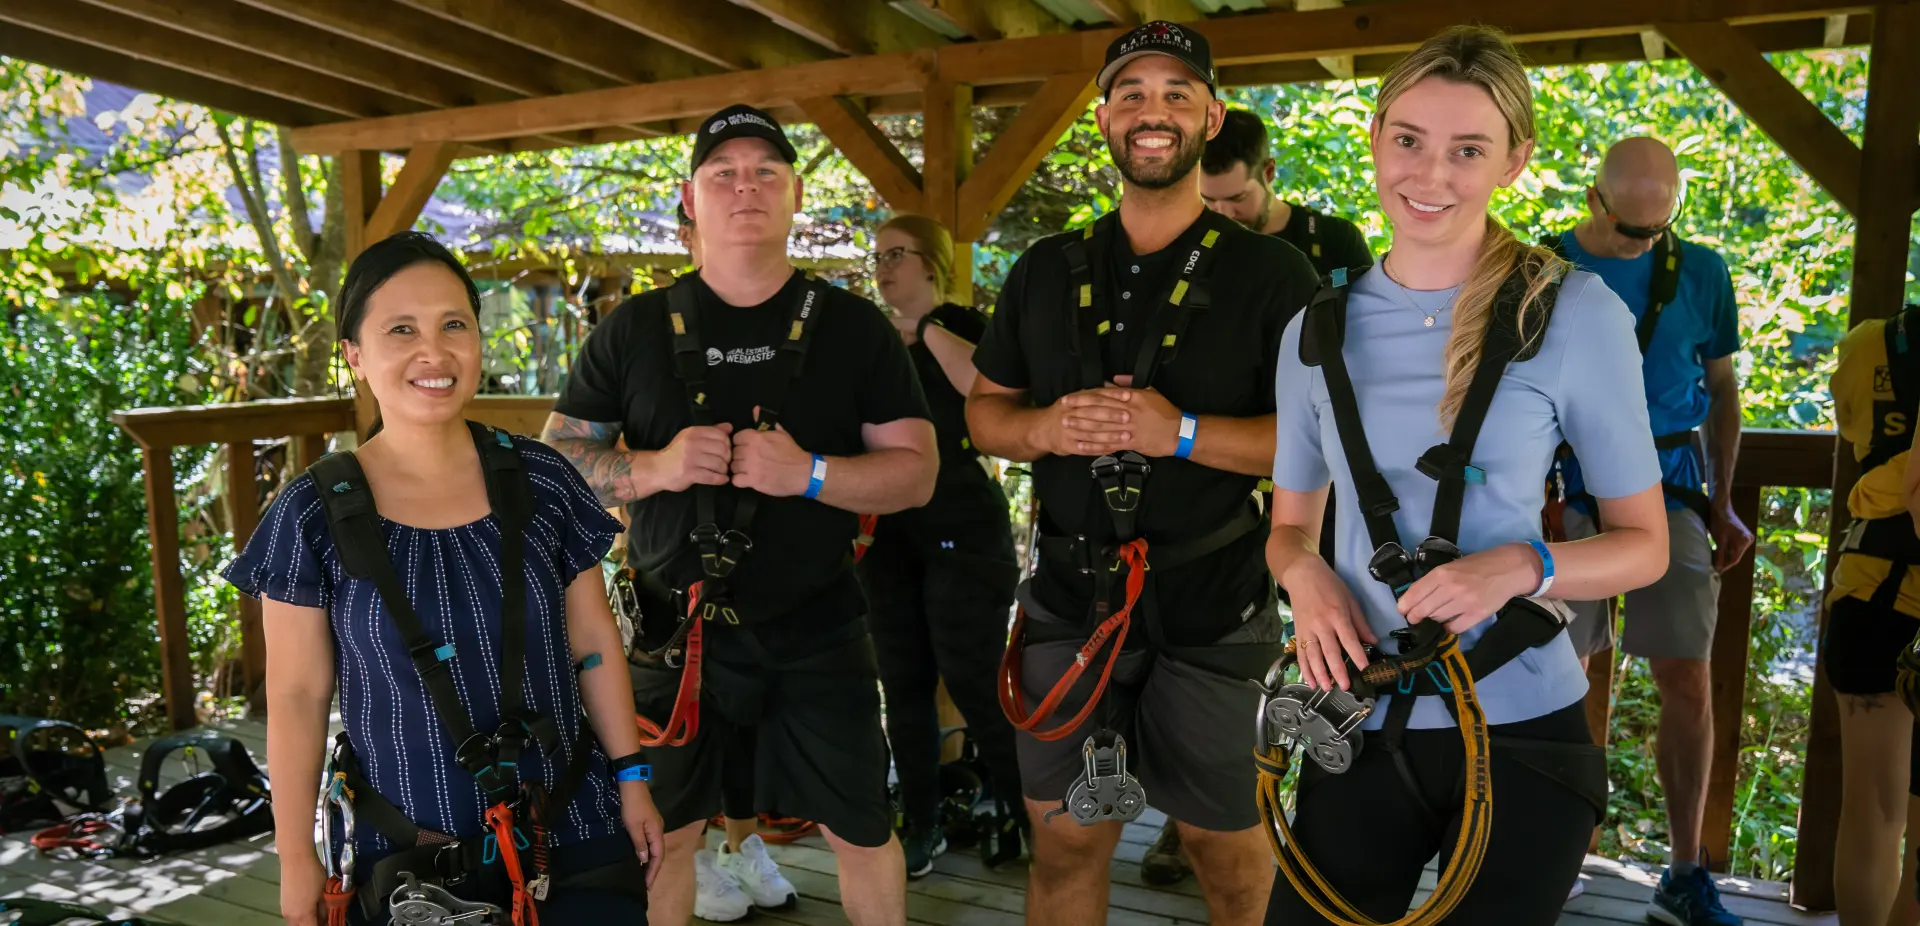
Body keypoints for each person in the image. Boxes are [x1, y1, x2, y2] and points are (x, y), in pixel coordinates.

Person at [1262, 25, 1671, 924]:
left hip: (1521, 734)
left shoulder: (1570, 312)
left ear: (1514, 161)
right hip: (1359, 723)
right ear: (1374, 140)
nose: (1430, 175)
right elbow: (1289, 528)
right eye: (1408, 140)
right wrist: (1304, 576)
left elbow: (1647, 546)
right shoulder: (1314, 332)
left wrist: (1522, 565)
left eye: (1468, 150)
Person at [542, 103, 937, 926]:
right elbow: (558, 468)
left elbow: (917, 476)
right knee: (666, 839)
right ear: (690, 199)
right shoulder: (634, 328)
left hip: (818, 624)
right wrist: (653, 467)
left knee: (864, 833)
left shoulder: (854, 327)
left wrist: (813, 474)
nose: (744, 188)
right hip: (668, 634)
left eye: (766, 173)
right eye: (723, 173)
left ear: (796, 196)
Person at [967, 22, 1318, 926]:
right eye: (1131, 94)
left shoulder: (1275, 274)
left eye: (1174, 93)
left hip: (1212, 601)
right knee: (1068, 844)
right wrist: (1043, 426)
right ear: (1103, 119)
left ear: (1212, 114)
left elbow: (1318, 446)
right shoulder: (1046, 269)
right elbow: (985, 413)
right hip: (1068, 599)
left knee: (1228, 853)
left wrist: (1184, 433)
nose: (1151, 112)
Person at [226, 231, 662, 926]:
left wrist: (634, 778)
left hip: (574, 827)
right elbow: (299, 695)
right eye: (402, 329)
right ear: (355, 357)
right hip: (412, 861)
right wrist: (297, 856)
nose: (434, 351)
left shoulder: (541, 478)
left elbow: (594, 641)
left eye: (453, 324)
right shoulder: (310, 515)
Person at [1543, 136, 1753, 925]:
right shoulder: (1543, 266)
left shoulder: (1702, 272)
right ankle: (1550, 849)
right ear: (1595, 201)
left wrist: (1725, 499)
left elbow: (1722, 389)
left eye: (1660, 228)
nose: (1648, 243)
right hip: (1572, 491)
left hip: (1672, 492)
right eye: (1634, 232)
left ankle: (1685, 870)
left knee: (1687, 679)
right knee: (1558, 676)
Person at [860, 213, 1027, 877]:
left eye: (896, 254)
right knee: (901, 684)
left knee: (977, 682)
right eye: (877, 257)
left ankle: (1023, 813)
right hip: (889, 533)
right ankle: (921, 825)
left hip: (965, 531)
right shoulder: (869, 345)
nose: (884, 268)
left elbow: (984, 396)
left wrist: (926, 327)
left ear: (930, 261)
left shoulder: (961, 326)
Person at [663, 194, 805, 920]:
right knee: (681, 761)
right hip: (677, 604)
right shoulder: (648, 326)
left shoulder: (804, 321)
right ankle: (691, 861)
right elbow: (578, 454)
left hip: (784, 603)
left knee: (751, 745)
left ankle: (739, 847)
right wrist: (661, 466)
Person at [1830, 303, 1920, 926]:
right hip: (1906, 600)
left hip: (1866, 594)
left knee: (1871, 811)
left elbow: (1849, 428)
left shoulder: (1870, 344)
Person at [1199, 107, 1375, 276]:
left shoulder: (1336, 241)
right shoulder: (1193, 249)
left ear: (1269, 172)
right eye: (1209, 200)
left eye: (1237, 198)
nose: (1224, 215)